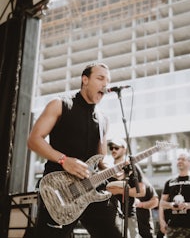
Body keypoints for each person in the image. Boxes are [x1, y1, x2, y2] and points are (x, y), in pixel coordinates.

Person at [27, 63, 123, 238]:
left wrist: (115, 169)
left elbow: (101, 159)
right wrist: (64, 160)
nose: (105, 84)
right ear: (85, 80)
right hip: (59, 190)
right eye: (100, 78)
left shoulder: (103, 119)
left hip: (91, 189)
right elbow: (34, 140)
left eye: (108, 81)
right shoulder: (59, 104)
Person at [106, 138, 146, 238]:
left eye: (116, 147)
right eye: (111, 148)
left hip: (128, 215)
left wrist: (118, 191)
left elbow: (141, 191)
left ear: (124, 149)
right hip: (110, 215)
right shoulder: (107, 169)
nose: (113, 150)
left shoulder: (133, 167)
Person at [159, 151, 190, 238]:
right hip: (173, 227)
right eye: (178, 159)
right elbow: (162, 203)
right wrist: (162, 221)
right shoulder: (169, 181)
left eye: (183, 159)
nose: (180, 161)